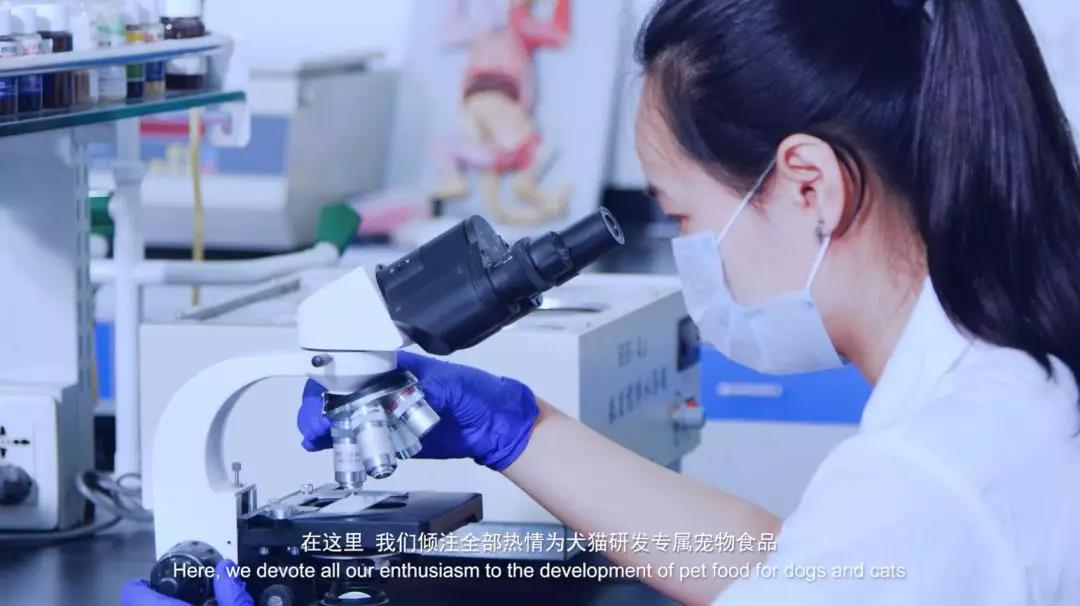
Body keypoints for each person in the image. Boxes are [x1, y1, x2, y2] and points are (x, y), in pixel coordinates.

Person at [124, 0, 1080, 604]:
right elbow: (796, 568)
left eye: (683, 214)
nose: (690, 254)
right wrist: (521, 430)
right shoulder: (1000, 393)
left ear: (809, 187)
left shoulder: (928, 483)